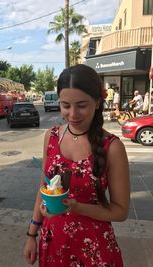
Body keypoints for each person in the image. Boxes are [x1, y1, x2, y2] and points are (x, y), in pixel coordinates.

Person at [24, 64, 130, 267]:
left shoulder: (112, 148)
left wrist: (77, 208)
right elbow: (43, 189)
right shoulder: (52, 137)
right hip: (53, 242)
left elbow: (120, 211)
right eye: (66, 105)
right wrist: (31, 234)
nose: (72, 114)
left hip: (94, 249)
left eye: (81, 105)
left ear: (98, 102)